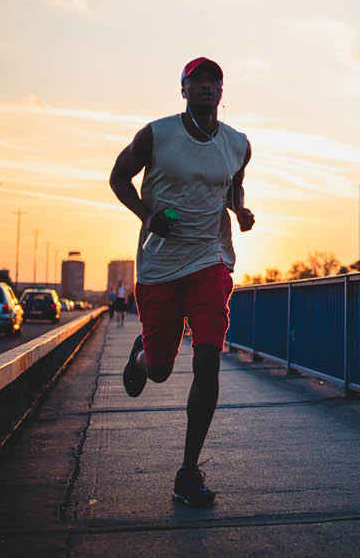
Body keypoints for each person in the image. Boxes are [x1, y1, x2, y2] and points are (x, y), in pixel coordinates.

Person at [109, 56, 254, 507]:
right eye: (199, 81)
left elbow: (233, 185)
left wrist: (239, 209)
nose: (208, 88)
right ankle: (142, 358)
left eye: (215, 82)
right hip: (159, 266)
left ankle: (188, 472)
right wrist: (148, 216)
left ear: (222, 91)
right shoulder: (156, 135)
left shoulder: (238, 144)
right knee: (160, 370)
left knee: (207, 359)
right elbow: (118, 178)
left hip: (210, 260)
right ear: (184, 88)